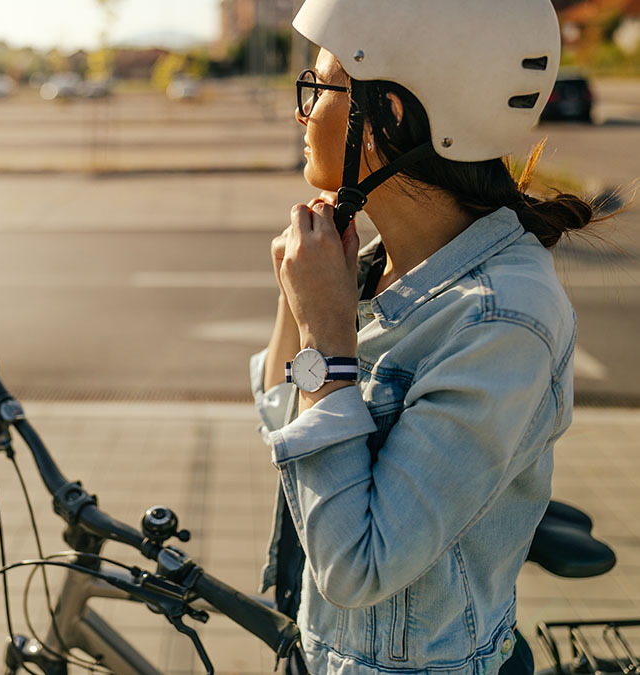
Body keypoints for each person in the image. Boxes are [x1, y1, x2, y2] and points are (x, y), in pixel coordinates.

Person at [249, 0, 598, 673]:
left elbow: (356, 567)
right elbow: (278, 416)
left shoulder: (500, 319)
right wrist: (304, 297)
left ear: (392, 116)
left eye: (320, 88)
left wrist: (327, 331)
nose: (302, 112)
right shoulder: (382, 262)